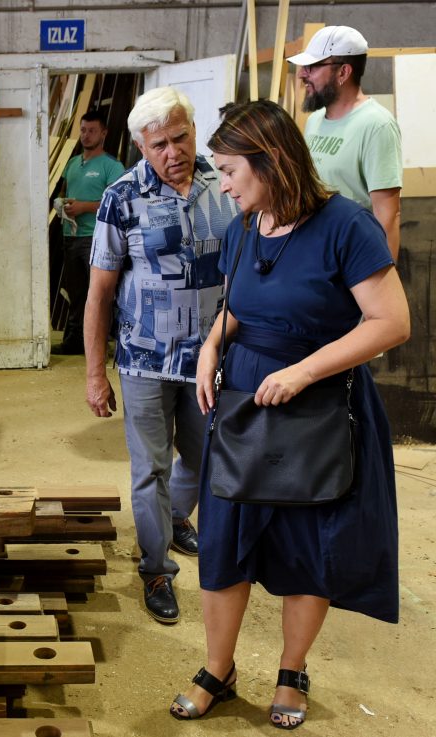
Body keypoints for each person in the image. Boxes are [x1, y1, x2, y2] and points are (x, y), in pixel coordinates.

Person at [168, 100, 409, 729]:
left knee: (309, 543)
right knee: (224, 535)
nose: (219, 184)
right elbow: (238, 305)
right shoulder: (245, 227)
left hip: (319, 402)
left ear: (270, 161)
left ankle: (291, 669)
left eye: (226, 170)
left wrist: (304, 371)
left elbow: (392, 321)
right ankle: (217, 670)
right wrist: (211, 344)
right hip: (245, 396)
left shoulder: (346, 227)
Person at [83, 86, 239, 624]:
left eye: (180, 138)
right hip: (145, 360)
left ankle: (173, 520)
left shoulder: (227, 185)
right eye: (158, 146)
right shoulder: (121, 197)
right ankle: (155, 566)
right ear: (140, 147)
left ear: (194, 130)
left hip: (211, 362)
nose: (173, 153)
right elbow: (99, 294)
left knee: (204, 459)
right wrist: (94, 374)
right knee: (149, 468)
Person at [288, 26, 402, 259]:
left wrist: (382, 281)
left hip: (351, 255)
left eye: (313, 67)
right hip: (315, 252)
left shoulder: (376, 125)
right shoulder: (315, 121)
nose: (302, 75)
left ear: (343, 72)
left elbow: (387, 214)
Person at [53, 110, 125, 355]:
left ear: (103, 133)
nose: (86, 135)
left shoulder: (112, 166)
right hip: (71, 237)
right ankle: (74, 342)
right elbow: (64, 190)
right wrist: (62, 204)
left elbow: (118, 202)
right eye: (83, 130)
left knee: (101, 293)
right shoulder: (72, 164)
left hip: (96, 238)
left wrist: (84, 206)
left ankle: (102, 345)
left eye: (92, 130)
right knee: (76, 293)